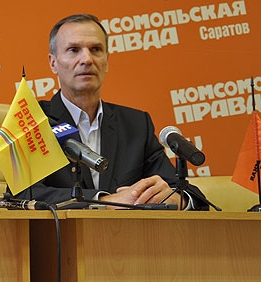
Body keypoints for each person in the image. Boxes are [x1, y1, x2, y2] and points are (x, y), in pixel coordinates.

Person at [14, 13, 207, 209]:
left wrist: (178, 200)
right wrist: (104, 201)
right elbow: (22, 195)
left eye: (96, 49)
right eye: (73, 50)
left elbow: (183, 191)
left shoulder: (136, 124)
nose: (87, 59)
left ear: (106, 60)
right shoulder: (31, 121)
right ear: (53, 62)